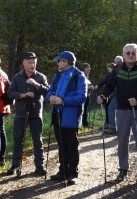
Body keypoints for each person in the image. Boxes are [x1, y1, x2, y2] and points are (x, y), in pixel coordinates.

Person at [98, 43, 137, 185]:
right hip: (122, 110)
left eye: (133, 53)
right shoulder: (117, 69)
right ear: (123, 55)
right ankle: (123, 169)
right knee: (122, 141)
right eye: (127, 53)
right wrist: (103, 96)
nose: (130, 55)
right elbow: (109, 86)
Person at [46, 51, 86, 185]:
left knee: (71, 145)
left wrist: (63, 101)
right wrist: (50, 97)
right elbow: (49, 90)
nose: (57, 63)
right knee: (61, 144)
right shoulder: (57, 75)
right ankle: (62, 171)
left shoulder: (78, 76)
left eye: (59, 61)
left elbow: (82, 97)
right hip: (56, 115)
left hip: (71, 116)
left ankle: (72, 173)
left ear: (67, 61)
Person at [7, 52, 49, 176]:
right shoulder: (17, 77)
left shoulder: (41, 77)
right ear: (24, 64)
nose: (32, 65)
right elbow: (10, 92)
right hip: (21, 112)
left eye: (34, 62)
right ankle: (15, 165)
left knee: (37, 139)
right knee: (18, 139)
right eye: (30, 62)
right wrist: (22, 95)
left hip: (36, 112)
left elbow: (47, 91)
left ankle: (39, 166)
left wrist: (36, 85)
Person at [80, 63, 94, 128]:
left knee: (85, 110)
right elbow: (82, 86)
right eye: (88, 67)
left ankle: (85, 124)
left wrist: (91, 87)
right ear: (85, 68)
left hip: (87, 95)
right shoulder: (81, 75)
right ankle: (82, 124)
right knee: (82, 110)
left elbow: (87, 84)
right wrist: (89, 87)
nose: (90, 69)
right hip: (82, 96)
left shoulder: (87, 76)